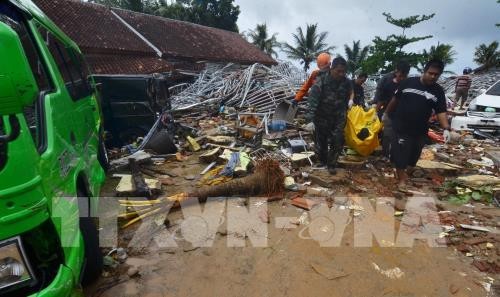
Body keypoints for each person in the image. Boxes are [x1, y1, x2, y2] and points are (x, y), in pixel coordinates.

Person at [384, 59, 451, 188]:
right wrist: (386, 114)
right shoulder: (408, 83)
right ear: (424, 71)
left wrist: (446, 128)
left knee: (413, 157)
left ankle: (404, 174)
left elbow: (441, 111)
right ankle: (401, 180)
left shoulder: (438, 91)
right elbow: (395, 100)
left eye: (436, 75)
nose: (432, 76)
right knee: (401, 154)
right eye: (430, 73)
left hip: (420, 130)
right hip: (401, 127)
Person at [306, 57, 352, 174]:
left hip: (338, 116)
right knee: (321, 140)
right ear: (332, 68)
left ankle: (332, 164)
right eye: (339, 71)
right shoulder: (321, 81)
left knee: (338, 139)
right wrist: (310, 119)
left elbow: (349, 93)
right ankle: (323, 161)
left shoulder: (346, 82)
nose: (341, 74)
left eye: (344, 71)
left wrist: (349, 102)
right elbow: (312, 101)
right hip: (322, 116)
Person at [374, 61, 410, 159]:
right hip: (389, 113)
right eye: (400, 75)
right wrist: (375, 112)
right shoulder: (388, 84)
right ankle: (385, 155)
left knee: (400, 137)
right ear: (396, 71)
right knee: (387, 135)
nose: (402, 78)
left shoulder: (408, 85)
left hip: (402, 115)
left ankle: (397, 155)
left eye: (404, 76)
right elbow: (381, 99)